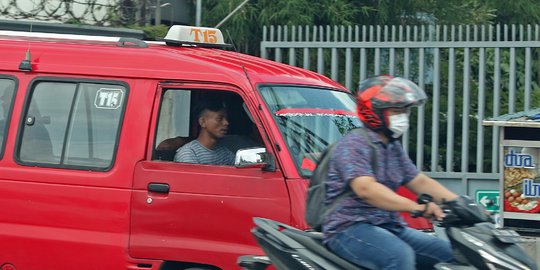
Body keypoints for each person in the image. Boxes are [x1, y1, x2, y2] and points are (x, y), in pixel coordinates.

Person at [323, 75, 458, 270]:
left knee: (450, 255)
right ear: (373, 112)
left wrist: (461, 203)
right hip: (349, 229)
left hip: (388, 226)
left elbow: (418, 181)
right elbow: (366, 189)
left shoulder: (392, 147)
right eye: (396, 111)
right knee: (399, 257)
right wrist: (416, 208)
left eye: (405, 111)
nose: (402, 117)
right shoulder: (354, 144)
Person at [174, 98, 235, 165]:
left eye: (226, 119)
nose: (226, 123)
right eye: (219, 119)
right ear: (202, 122)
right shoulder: (189, 154)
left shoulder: (223, 152)